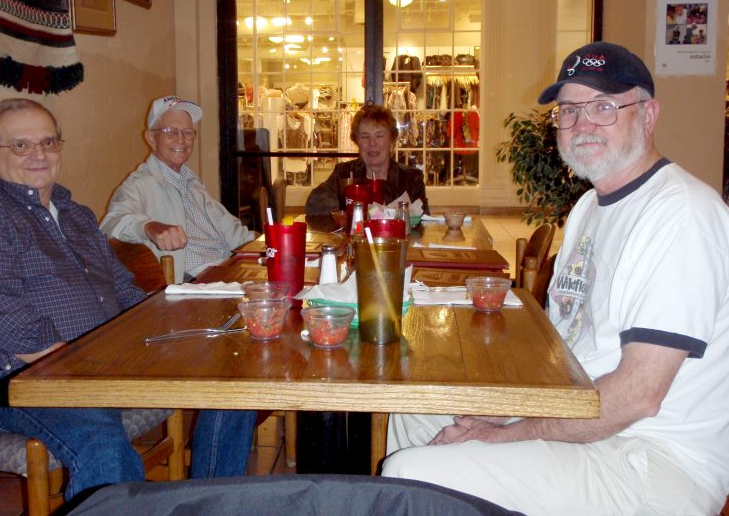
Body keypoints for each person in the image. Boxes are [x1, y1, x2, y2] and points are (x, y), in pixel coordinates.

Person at [382, 42, 729, 515]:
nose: (582, 124)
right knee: (415, 408)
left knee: (409, 475)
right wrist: (497, 410)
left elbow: (638, 396)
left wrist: (503, 431)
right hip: (584, 420)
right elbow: (560, 350)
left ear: (648, 115)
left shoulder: (682, 214)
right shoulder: (589, 208)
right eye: (569, 110)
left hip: (651, 462)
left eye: (604, 107)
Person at [0, 99, 256, 504]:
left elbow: (124, 291)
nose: (39, 154)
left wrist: (175, 328)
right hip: (17, 379)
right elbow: (5, 319)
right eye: (21, 145)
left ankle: (208, 506)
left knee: (235, 379)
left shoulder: (75, 214)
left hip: (105, 363)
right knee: (101, 439)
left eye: (48, 142)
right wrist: (93, 366)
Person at [101, 96, 256, 284]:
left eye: (187, 132)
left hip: (227, 272)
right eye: (170, 132)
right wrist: (150, 227)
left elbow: (232, 231)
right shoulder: (140, 184)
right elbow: (110, 224)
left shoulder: (191, 182)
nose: (181, 140)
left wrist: (264, 242)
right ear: (151, 138)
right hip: (195, 284)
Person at [304, 102, 429, 216]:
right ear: (357, 142)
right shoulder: (344, 173)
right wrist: (355, 205)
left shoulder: (411, 178)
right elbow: (313, 205)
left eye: (379, 136)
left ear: (392, 142)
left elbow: (424, 222)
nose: (372, 143)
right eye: (365, 136)